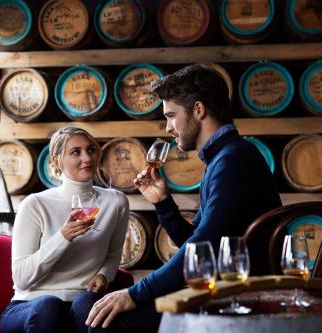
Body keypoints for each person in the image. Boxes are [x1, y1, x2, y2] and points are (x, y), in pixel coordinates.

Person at [86, 64, 282, 332]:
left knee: (105, 323)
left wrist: (135, 293)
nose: (168, 127)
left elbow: (203, 245)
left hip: (240, 299)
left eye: (171, 116)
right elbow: (198, 249)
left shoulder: (234, 160)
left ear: (198, 110)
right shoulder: (226, 158)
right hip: (224, 291)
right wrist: (163, 203)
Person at [0, 127, 129, 333]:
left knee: (89, 303)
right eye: (75, 152)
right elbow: (21, 278)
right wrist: (63, 237)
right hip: (30, 305)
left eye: (91, 150)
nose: (87, 157)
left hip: (80, 300)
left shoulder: (116, 202)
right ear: (57, 160)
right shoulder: (35, 204)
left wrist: (104, 275)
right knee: (49, 306)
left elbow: (113, 256)